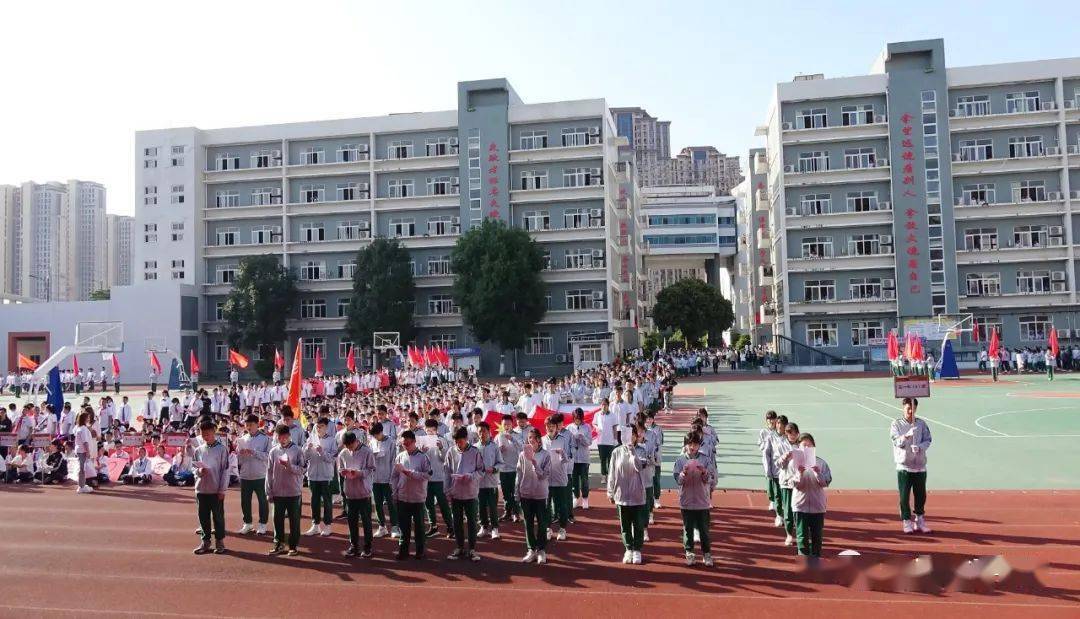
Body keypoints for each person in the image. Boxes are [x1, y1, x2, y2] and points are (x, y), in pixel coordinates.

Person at [890, 397, 932, 534]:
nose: (910, 411)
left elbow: (928, 439)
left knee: (921, 495)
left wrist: (920, 447)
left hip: (919, 465)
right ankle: (906, 521)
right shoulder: (896, 424)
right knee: (904, 496)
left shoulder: (921, 424)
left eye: (913, 409)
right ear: (903, 408)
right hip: (904, 466)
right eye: (908, 408)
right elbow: (896, 441)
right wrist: (906, 436)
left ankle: (919, 520)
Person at [674, 431, 715, 566]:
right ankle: (690, 552)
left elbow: (709, 479)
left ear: (699, 445)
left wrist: (704, 472)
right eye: (690, 444)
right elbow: (678, 481)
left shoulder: (705, 459)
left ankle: (706, 554)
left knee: (704, 529)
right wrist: (683, 474)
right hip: (686, 501)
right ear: (685, 445)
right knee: (688, 528)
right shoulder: (680, 460)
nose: (692, 447)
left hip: (702, 501)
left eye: (695, 444)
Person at [608, 423, 647, 564]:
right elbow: (612, 472)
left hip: (637, 495)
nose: (630, 437)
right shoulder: (616, 452)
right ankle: (628, 548)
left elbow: (639, 467)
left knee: (638, 524)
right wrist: (610, 491)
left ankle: (637, 550)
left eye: (633, 434)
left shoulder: (641, 450)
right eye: (627, 434)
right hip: (621, 494)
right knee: (624, 526)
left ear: (636, 436)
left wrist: (632, 452)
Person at [391, 430, 432, 560]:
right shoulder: (400, 456)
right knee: (404, 525)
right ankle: (403, 550)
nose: (406, 446)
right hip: (403, 496)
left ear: (414, 442)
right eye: (403, 444)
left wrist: (412, 474)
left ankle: (420, 550)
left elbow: (428, 475)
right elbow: (395, 476)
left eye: (408, 443)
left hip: (418, 497)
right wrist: (395, 491)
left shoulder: (423, 457)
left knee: (419, 525)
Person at [445, 426, 484, 561]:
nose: (458, 444)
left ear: (466, 439)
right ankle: (459, 547)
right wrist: (447, 490)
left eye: (460, 441)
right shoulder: (451, 452)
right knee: (457, 522)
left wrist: (471, 476)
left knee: (472, 522)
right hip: (455, 493)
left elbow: (481, 471)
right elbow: (447, 472)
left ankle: (472, 549)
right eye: (456, 441)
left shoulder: (475, 452)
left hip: (470, 493)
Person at [791, 433, 832, 562]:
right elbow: (794, 484)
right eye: (804, 445)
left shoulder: (821, 463)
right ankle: (803, 560)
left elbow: (826, 483)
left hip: (817, 506)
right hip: (800, 505)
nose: (807, 448)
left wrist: (817, 472)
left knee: (817, 536)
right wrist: (799, 473)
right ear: (798, 447)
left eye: (810, 445)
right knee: (802, 536)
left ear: (814, 446)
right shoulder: (794, 463)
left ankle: (816, 558)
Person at [192, 419, 230, 555]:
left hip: (216, 489)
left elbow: (225, 471)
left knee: (218, 517)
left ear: (214, 432)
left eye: (208, 434)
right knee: (203, 517)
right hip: (201, 489)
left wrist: (222, 489)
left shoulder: (222, 449)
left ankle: (220, 541)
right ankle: (205, 541)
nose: (205, 437)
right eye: (203, 435)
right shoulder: (198, 450)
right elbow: (193, 467)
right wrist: (199, 472)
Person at [266, 423, 304, 556]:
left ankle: (293, 545)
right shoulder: (273, 451)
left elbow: (302, 469)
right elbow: (269, 472)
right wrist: (268, 491)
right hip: (277, 491)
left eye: (284, 437)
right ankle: (279, 543)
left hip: (293, 491)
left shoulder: (297, 450)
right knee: (277, 519)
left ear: (289, 436)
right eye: (279, 437)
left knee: (294, 520)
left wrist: (290, 466)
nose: (282, 439)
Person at [337, 430, 376, 558]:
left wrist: (358, 473)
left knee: (366, 521)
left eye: (350, 446)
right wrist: (343, 472)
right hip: (350, 492)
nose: (349, 448)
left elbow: (371, 469)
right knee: (351, 521)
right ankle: (353, 545)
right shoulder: (343, 453)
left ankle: (368, 547)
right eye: (346, 446)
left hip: (363, 492)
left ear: (355, 441)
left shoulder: (367, 451)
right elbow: (340, 468)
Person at [516, 427, 551, 564]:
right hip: (526, 494)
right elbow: (518, 474)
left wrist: (535, 463)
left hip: (540, 495)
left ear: (538, 440)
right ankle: (531, 549)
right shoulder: (521, 455)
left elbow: (544, 476)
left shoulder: (546, 455)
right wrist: (516, 492)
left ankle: (541, 550)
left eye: (533, 438)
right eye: (528, 438)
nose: (530, 441)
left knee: (542, 524)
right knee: (528, 524)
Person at [237, 414, 270, 535]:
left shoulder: (265, 439)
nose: (248, 427)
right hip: (245, 474)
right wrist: (240, 453)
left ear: (257, 424)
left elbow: (268, 456)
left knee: (262, 500)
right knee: (245, 501)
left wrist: (254, 453)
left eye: (251, 424)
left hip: (260, 474)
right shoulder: (242, 439)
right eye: (246, 424)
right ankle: (248, 523)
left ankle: (262, 524)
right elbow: (239, 460)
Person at [304, 417, 336, 537]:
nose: (318, 429)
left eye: (321, 426)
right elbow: (305, 457)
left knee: (327, 501)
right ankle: (315, 525)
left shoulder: (331, 440)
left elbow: (332, 459)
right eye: (317, 426)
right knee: (314, 501)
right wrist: (307, 448)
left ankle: (328, 525)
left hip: (326, 475)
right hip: (312, 475)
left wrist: (322, 452)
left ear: (326, 427)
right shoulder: (310, 439)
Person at [421, 418, 453, 538]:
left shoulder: (442, 440)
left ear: (436, 430)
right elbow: (419, 459)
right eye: (427, 430)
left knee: (443, 504)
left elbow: (446, 459)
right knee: (428, 503)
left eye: (431, 430)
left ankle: (450, 527)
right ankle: (433, 526)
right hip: (426, 478)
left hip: (439, 478)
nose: (428, 432)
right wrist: (422, 451)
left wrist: (441, 448)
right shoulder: (422, 441)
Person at [542, 414, 571, 541]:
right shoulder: (542, 440)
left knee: (561, 506)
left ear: (556, 427)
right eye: (548, 426)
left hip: (560, 478)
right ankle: (548, 529)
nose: (550, 428)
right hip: (545, 479)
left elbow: (568, 459)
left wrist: (562, 454)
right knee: (546, 505)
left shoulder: (563, 439)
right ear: (545, 427)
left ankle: (562, 529)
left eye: (553, 426)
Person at [369, 422, 399, 539]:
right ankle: (382, 527)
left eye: (376, 435)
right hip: (375, 478)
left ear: (381, 432)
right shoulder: (372, 442)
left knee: (391, 504)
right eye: (373, 436)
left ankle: (395, 527)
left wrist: (392, 479)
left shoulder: (391, 442)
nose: (375, 437)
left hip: (387, 479)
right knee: (377, 504)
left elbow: (394, 461)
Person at [774, 421, 800, 546]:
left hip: (800, 482)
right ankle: (789, 535)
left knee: (800, 510)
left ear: (798, 433)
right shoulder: (780, 445)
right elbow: (777, 463)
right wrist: (784, 458)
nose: (792, 436)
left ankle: (801, 533)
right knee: (788, 510)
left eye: (794, 433)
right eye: (789, 433)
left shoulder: (802, 445)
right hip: (786, 481)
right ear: (786, 434)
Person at [475, 422, 501, 539]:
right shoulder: (474, 447)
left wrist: (494, 468)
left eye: (484, 431)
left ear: (489, 432)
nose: (482, 434)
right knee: (481, 506)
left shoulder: (494, 446)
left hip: (491, 482)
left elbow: (501, 463)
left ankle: (495, 528)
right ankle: (484, 527)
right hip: (479, 483)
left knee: (492, 506)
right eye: (480, 431)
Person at [495, 413, 522, 522]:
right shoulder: (498, 436)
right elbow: (494, 451)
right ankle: (508, 512)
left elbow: (521, 448)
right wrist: (499, 450)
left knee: (514, 492)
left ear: (512, 424)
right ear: (501, 425)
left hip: (514, 468)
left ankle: (516, 513)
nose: (507, 426)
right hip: (503, 469)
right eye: (504, 424)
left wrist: (512, 439)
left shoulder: (517, 435)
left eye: (509, 424)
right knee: (506, 492)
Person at [758, 410, 782, 526]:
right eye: (769, 419)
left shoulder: (779, 432)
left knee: (776, 482)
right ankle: (771, 499)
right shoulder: (764, 432)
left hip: (777, 461)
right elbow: (760, 444)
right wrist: (765, 445)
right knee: (769, 478)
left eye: (772, 419)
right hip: (767, 459)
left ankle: (776, 503)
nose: (771, 421)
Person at [568, 408, 593, 510]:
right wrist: (573, 440)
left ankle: (585, 498)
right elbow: (568, 443)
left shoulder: (587, 427)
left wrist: (582, 438)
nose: (577, 420)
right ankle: (575, 497)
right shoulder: (569, 427)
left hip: (584, 458)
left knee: (584, 479)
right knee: (574, 480)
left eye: (579, 418)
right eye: (575, 418)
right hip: (573, 458)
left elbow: (589, 442)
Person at [593, 398, 617, 485]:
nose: (603, 406)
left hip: (610, 441)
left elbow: (614, 428)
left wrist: (615, 439)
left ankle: (610, 476)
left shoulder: (613, 415)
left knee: (610, 460)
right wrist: (596, 427)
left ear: (608, 405)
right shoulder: (597, 415)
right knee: (602, 459)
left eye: (605, 404)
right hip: (601, 441)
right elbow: (594, 423)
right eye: (602, 404)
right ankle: (603, 476)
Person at [73, 410, 96, 494]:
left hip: (80, 450)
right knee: (82, 469)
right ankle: (81, 486)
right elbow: (85, 442)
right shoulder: (83, 429)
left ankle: (82, 484)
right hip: (82, 451)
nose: (89, 419)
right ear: (84, 419)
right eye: (88, 417)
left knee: (83, 468)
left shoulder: (81, 428)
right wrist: (88, 451)